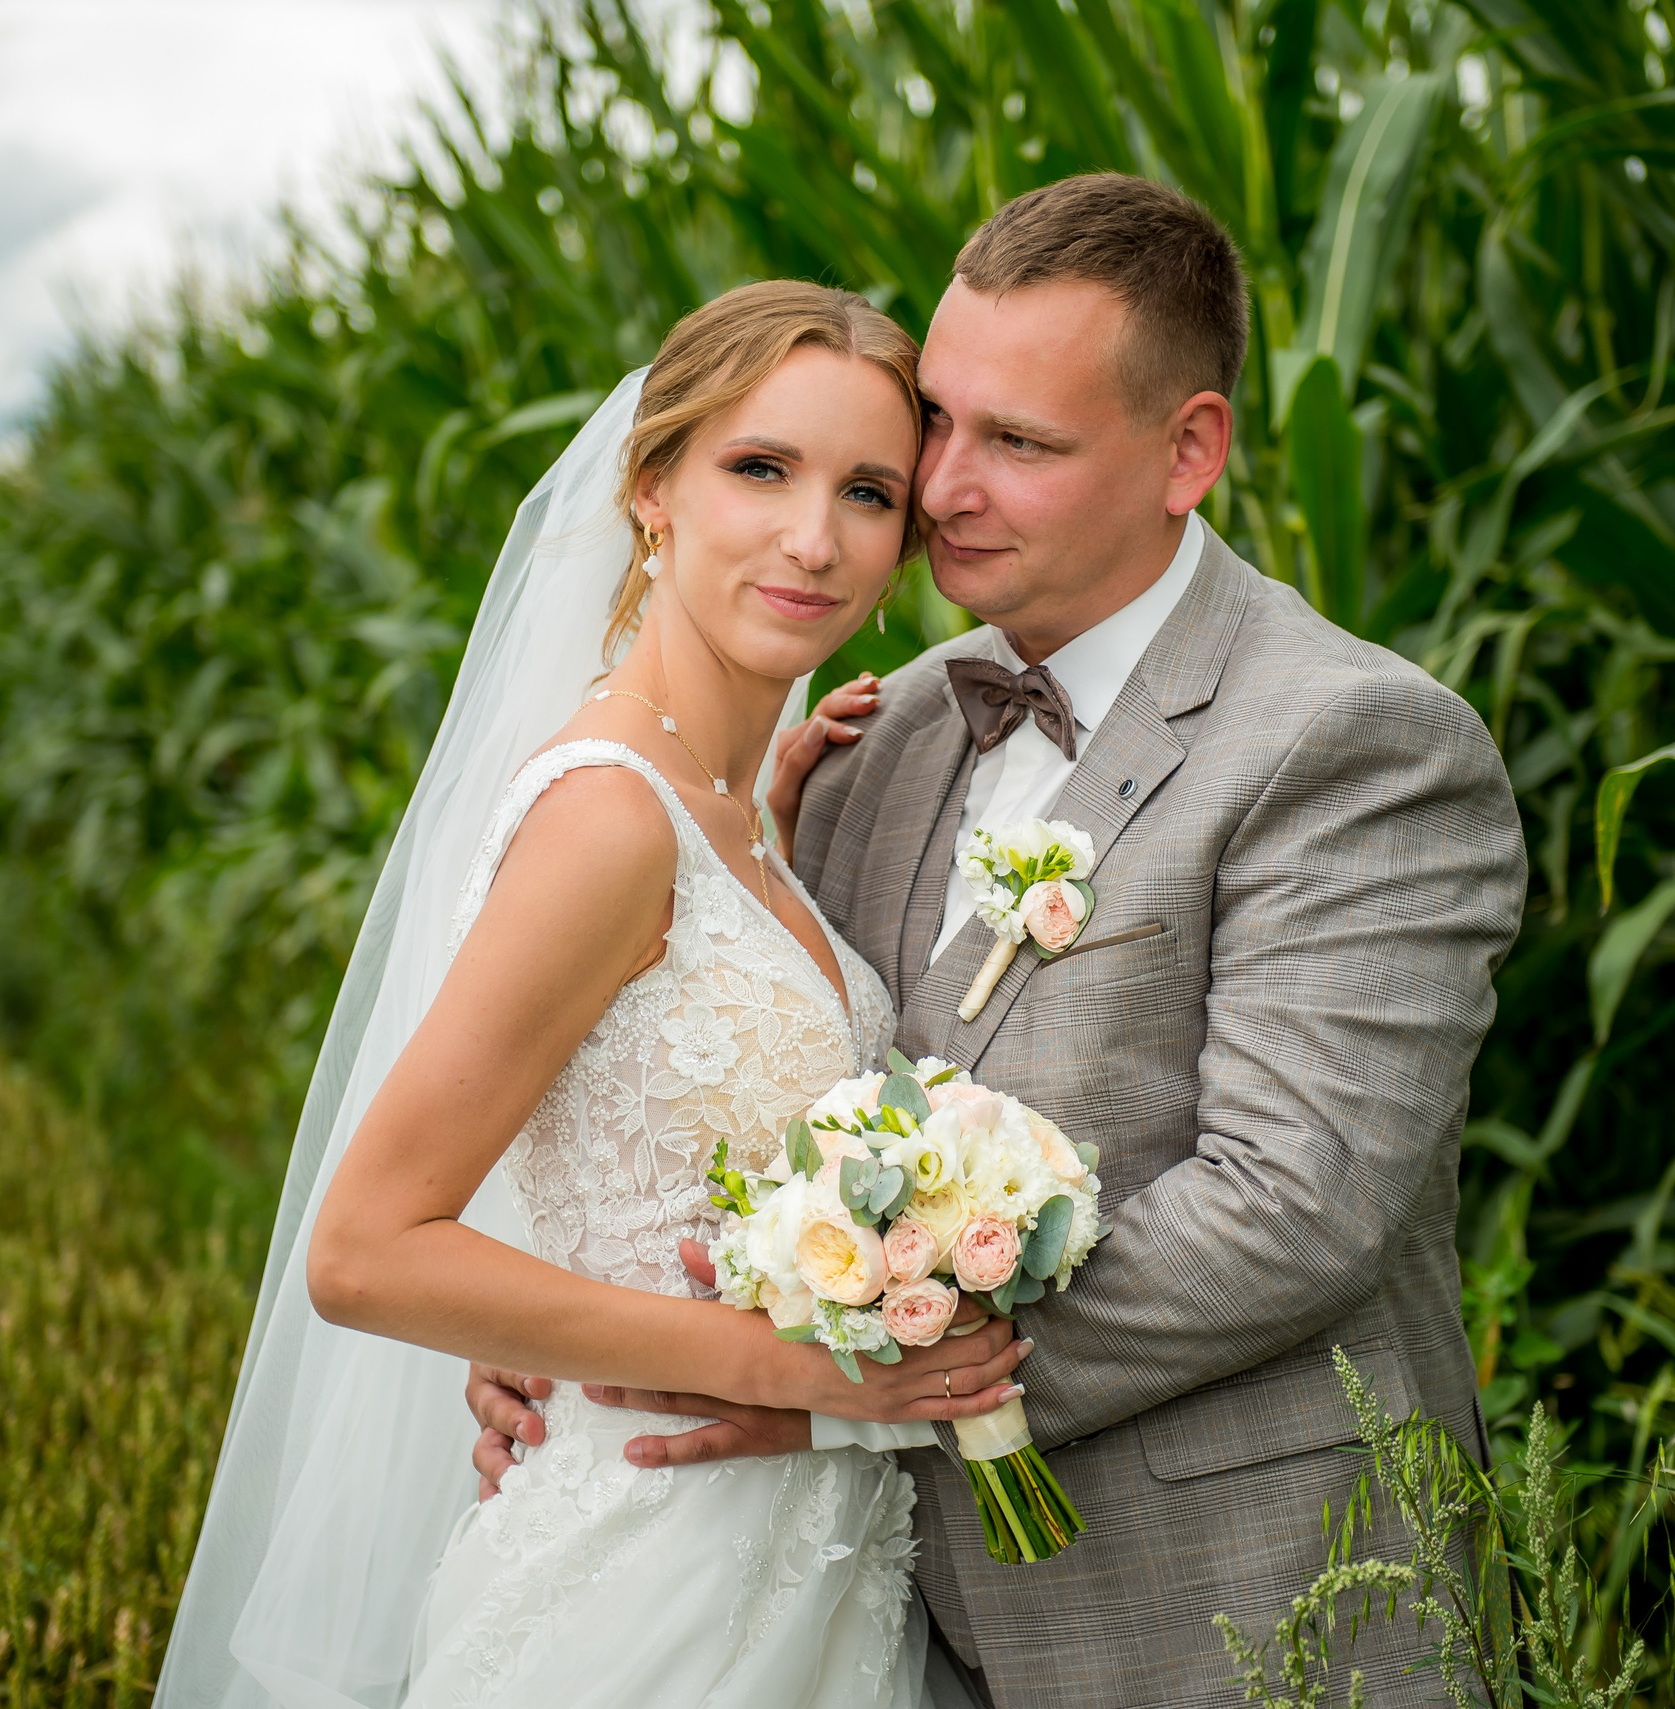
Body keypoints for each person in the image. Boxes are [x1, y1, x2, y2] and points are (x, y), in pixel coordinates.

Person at [472, 173, 1529, 1708]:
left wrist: (848, 1392)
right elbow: (751, 1100)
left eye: (1017, 444)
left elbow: (1293, 1205)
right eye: (939, 423)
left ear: (1191, 451)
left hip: (1254, 1607)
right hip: (898, 1623)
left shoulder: (1359, 741)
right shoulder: (879, 731)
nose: (941, 486)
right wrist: (578, 1325)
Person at [158, 281, 1025, 1709]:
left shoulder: (744, 811)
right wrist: (807, 1369)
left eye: (869, 491)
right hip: (643, 1576)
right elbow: (366, 1247)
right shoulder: (611, 820)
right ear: (650, 488)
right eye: (760, 468)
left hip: (810, 1579)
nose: (816, 537)